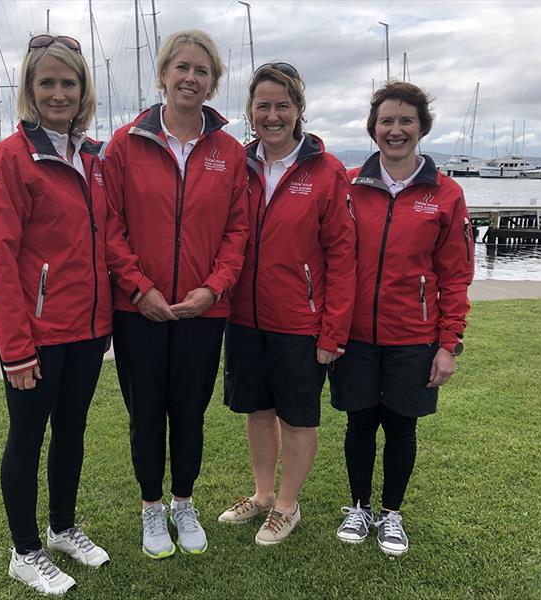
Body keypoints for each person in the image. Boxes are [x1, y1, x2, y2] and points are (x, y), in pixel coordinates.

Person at [104, 30, 248, 559]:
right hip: (136, 310)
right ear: (163, 73)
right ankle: (150, 508)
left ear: (213, 82)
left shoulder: (229, 153)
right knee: (146, 413)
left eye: (202, 70)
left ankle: (183, 502)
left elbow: (238, 231)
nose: (191, 78)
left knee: (189, 412)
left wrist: (214, 289)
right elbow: (110, 225)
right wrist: (139, 288)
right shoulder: (125, 143)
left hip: (203, 312)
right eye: (182, 67)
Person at [0, 34, 112, 595]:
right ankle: (25, 550)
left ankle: (61, 528)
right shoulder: (10, 158)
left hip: (86, 331)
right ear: (30, 91)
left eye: (69, 82)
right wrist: (15, 348)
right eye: (48, 83)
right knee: (27, 436)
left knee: (73, 432)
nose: (59, 93)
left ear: (83, 90)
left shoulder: (90, 157)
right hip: (35, 335)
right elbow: (0, 260)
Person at [330, 81, 474, 556]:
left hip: (414, 335)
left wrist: (448, 343)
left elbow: (455, 275)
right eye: (386, 121)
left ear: (422, 128)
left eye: (405, 121)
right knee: (359, 423)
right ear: (373, 129)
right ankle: (359, 505)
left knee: (401, 425)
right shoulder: (349, 185)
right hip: (356, 335)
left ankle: (391, 513)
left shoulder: (446, 194)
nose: (395, 130)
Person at [218, 63, 357, 545]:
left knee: (297, 416)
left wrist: (334, 330)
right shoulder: (238, 164)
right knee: (256, 410)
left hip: (300, 320)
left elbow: (343, 256)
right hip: (243, 317)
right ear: (250, 112)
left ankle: (287, 504)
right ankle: (260, 496)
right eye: (263, 106)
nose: (272, 115)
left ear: (299, 110)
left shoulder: (327, 171)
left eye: (282, 105)